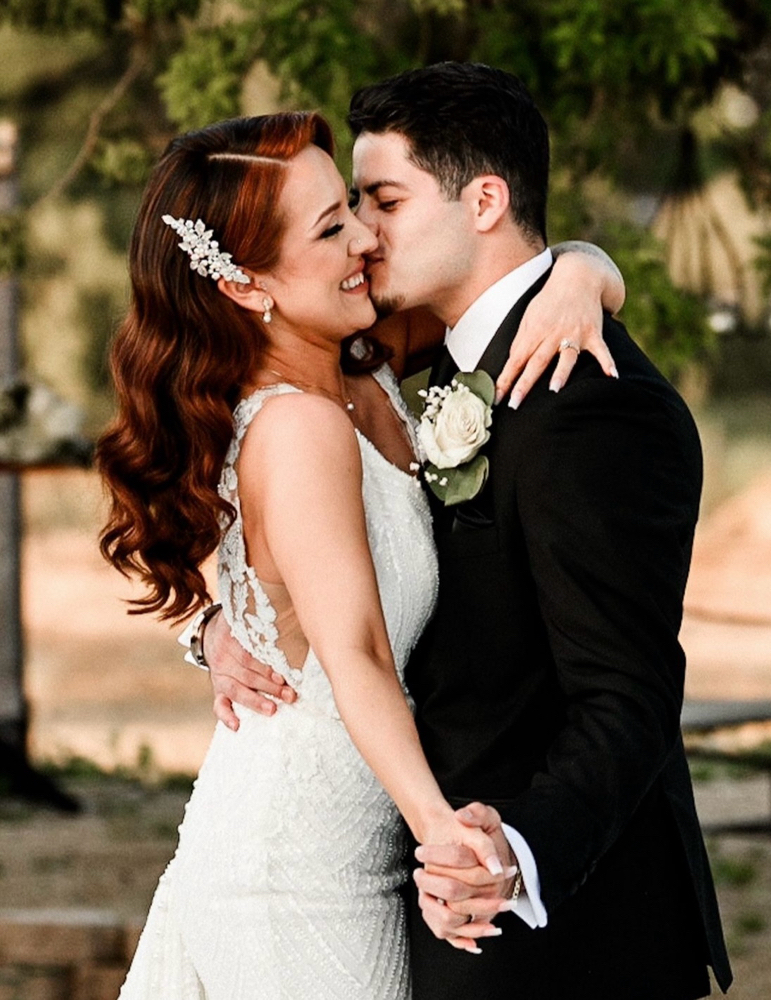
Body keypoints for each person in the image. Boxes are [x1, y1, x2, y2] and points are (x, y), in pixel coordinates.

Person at [205, 64, 733, 1000]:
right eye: (348, 211)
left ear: (484, 199)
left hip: (551, 928)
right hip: (378, 867)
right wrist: (214, 624)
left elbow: (627, 694)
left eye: (384, 200)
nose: (364, 233)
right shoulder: (398, 353)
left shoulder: (594, 407)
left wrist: (514, 855)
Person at [98, 108, 624, 1000]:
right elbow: (356, 652)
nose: (364, 241)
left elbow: (508, 283)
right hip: (291, 870)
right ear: (246, 284)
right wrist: (445, 837)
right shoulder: (297, 426)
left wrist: (583, 273)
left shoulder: (361, 362)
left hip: (349, 849)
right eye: (331, 228)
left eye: (352, 206)